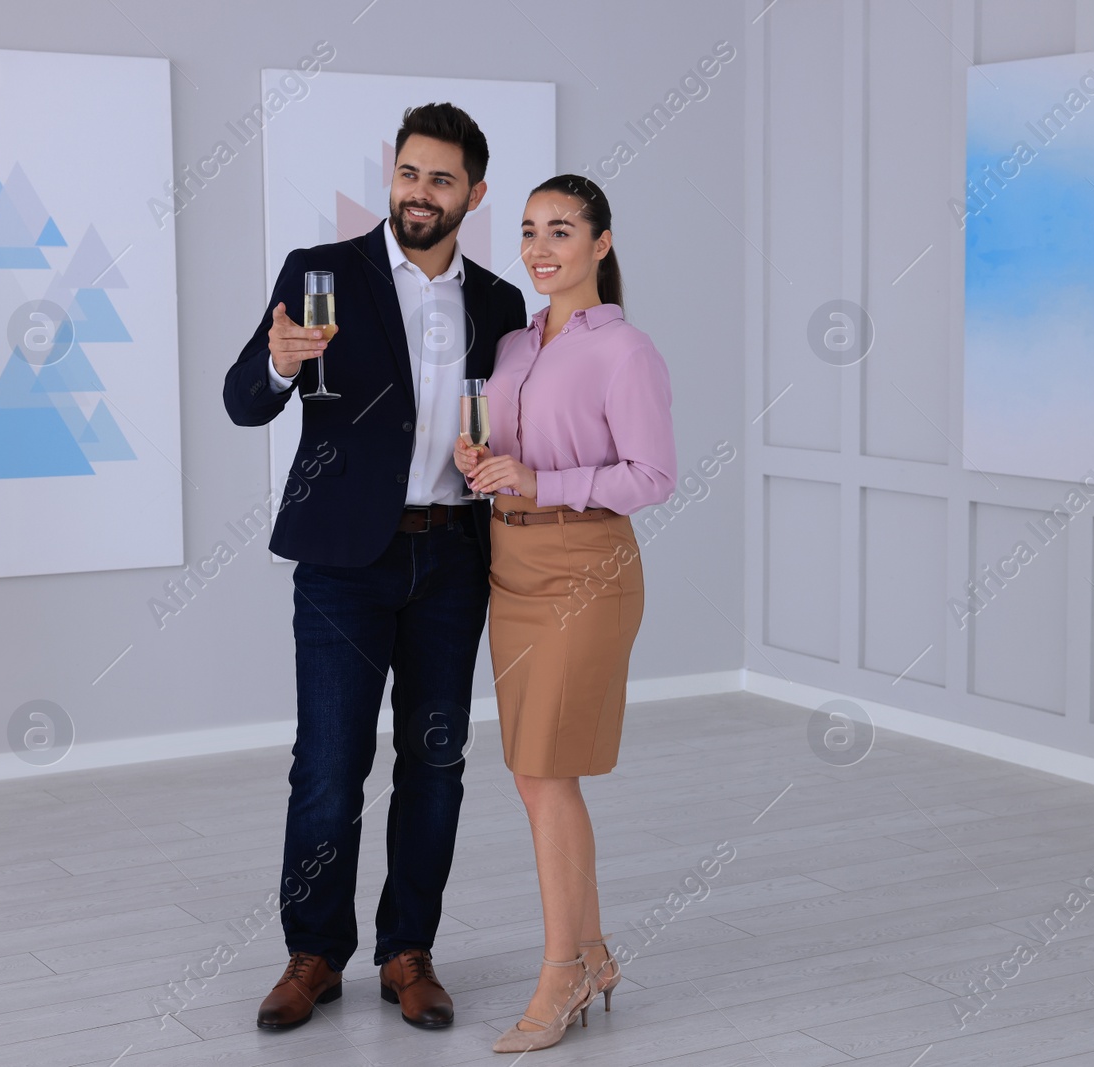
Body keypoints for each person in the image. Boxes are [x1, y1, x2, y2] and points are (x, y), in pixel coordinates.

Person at [223, 102, 527, 1033]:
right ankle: (312, 953)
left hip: (454, 555)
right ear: (391, 177)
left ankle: (409, 951)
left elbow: (511, 423)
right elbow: (243, 401)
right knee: (328, 764)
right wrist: (278, 364)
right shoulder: (321, 274)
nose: (419, 193)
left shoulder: (500, 304)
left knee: (436, 761)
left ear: (474, 194)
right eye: (408, 173)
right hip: (344, 561)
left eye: (441, 179)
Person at [454, 174, 676, 1053]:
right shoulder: (512, 345)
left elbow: (652, 476)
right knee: (533, 773)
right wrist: (484, 459)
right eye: (528, 231)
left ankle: (562, 978)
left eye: (561, 230)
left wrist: (543, 481)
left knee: (548, 772)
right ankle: (592, 950)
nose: (540, 248)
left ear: (602, 243)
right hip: (510, 566)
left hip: (586, 569)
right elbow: (510, 452)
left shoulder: (627, 351)